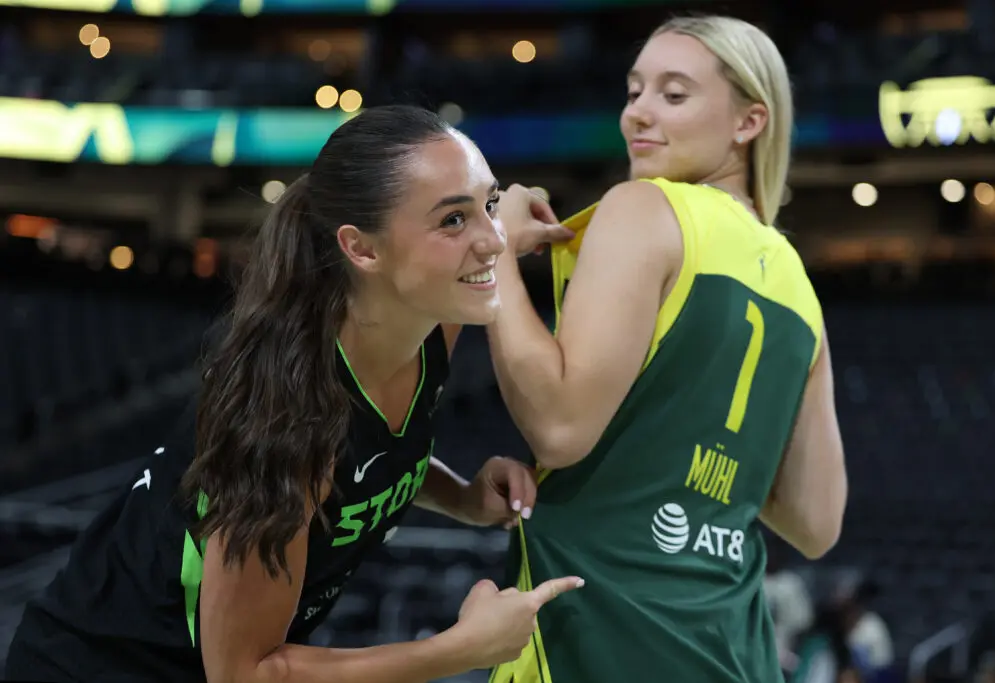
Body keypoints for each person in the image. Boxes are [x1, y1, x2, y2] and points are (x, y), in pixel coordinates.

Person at [5, 105, 583, 683]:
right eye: (453, 221)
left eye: (487, 205)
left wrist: (458, 495)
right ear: (362, 249)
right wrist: (461, 649)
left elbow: (368, 456)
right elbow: (247, 673)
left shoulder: (431, 318)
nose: (491, 241)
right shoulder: (286, 424)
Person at [486, 15, 847, 683]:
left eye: (673, 95)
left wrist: (498, 255)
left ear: (749, 121)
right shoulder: (798, 282)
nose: (638, 115)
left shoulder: (644, 209)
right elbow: (817, 522)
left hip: (598, 639)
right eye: (633, 91)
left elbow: (561, 426)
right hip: (734, 653)